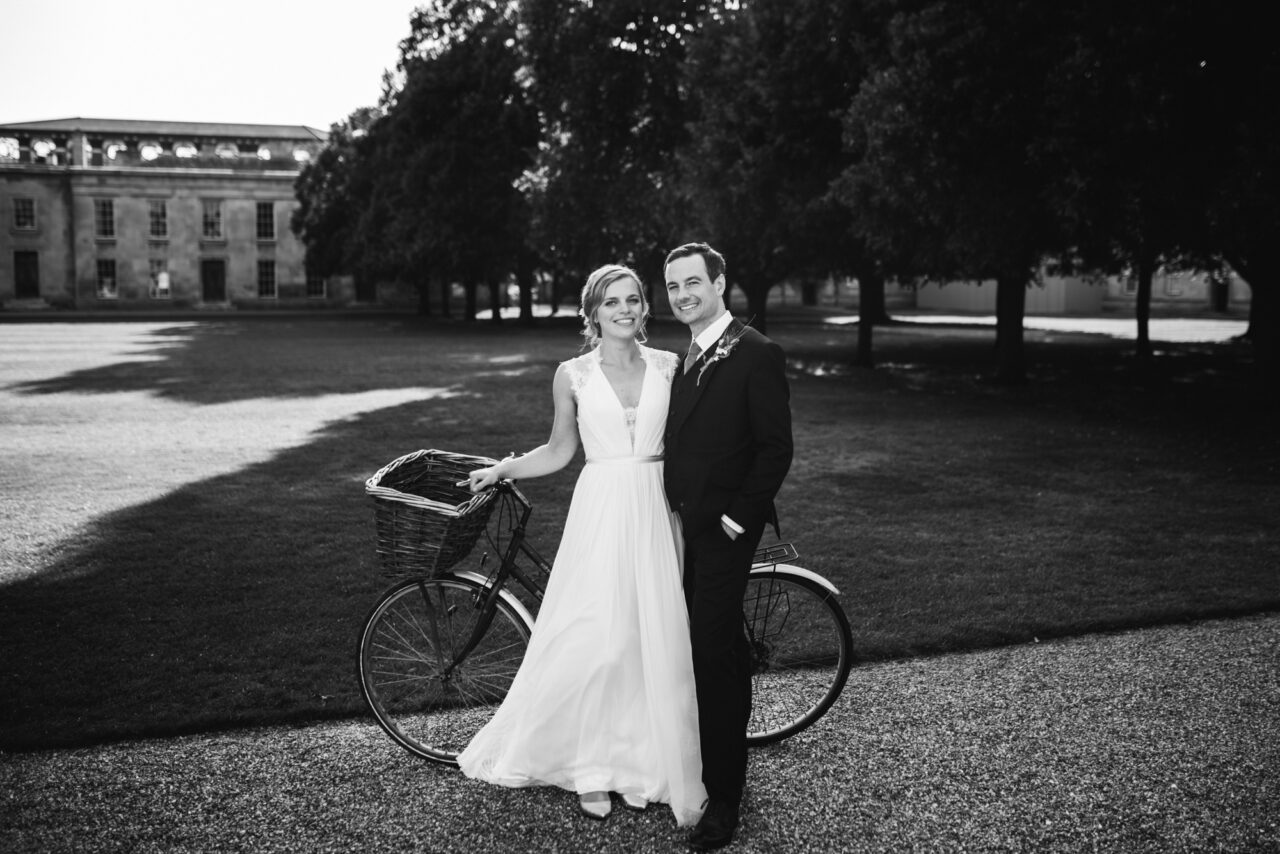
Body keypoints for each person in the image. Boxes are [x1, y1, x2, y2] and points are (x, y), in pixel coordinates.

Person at [457, 264, 707, 827]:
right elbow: (559, 449)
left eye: (634, 300)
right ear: (592, 312)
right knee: (600, 639)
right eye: (612, 301)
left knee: (649, 640)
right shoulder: (572, 374)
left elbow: (696, 445)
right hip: (600, 512)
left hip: (655, 508)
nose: (625, 309)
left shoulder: (672, 366)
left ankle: (643, 764)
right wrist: (502, 469)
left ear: (645, 308)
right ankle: (591, 769)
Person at [662, 242, 794, 850]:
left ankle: (725, 799)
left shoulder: (756, 352)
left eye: (693, 282)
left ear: (719, 282)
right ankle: (715, 754)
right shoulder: (687, 356)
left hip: (722, 532)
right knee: (721, 647)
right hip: (683, 528)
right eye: (674, 286)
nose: (683, 294)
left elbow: (775, 449)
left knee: (709, 651)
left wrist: (737, 523)